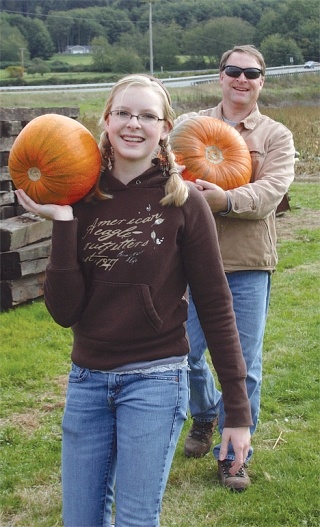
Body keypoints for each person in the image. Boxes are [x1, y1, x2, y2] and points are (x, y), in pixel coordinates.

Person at [15, 74, 252, 527]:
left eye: (147, 115)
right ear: (105, 121)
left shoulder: (184, 202)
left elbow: (217, 306)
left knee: (136, 520)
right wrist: (63, 221)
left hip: (155, 379)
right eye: (123, 113)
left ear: (165, 128)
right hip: (87, 381)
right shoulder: (80, 199)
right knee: (80, 520)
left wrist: (236, 413)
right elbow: (64, 313)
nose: (133, 124)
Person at [175, 45, 296, 491]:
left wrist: (222, 199)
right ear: (220, 76)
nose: (241, 79)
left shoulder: (276, 136)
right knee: (181, 353)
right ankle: (205, 414)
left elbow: (268, 194)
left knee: (244, 365)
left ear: (262, 81)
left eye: (252, 73)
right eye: (233, 71)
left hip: (247, 262)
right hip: (189, 261)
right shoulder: (190, 127)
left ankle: (233, 455)